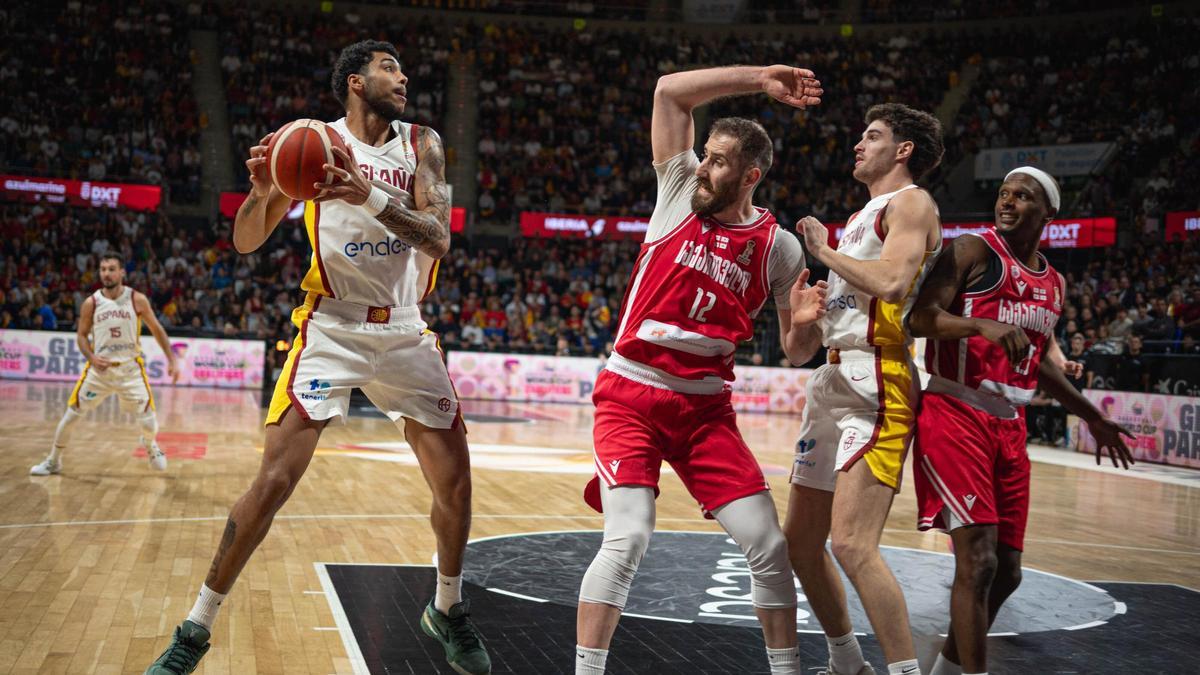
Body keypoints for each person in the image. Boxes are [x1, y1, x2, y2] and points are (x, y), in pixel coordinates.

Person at [145, 41, 489, 675]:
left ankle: (447, 607)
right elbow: (246, 241)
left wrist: (366, 195)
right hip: (331, 327)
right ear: (355, 81)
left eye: (402, 69)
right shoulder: (311, 144)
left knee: (456, 483)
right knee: (274, 481)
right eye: (389, 67)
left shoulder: (422, 144)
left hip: (405, 331)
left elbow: (439, 238)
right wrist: (259, 193)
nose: (403, 77)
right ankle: (195, 628)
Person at [575, 64, 826, 675]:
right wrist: (761, 79)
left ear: (750, 176)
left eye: (718, 161)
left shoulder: (779, 247)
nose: (704, 168)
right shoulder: (677, 191)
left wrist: (808, 323)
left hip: (706, 412)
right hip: (632, 394)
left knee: (769, 544)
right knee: (628, 538)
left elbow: (797, 352)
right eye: (705, 155)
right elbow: (667, 91)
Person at [908, 167, 1135, 675]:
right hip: (955, 410)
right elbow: (919, 318)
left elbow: (1040, 364)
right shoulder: (972, 250)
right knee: (979, 562)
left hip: (1010, 425)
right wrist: (979, 324)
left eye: (1023, 196)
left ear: (1048, 212)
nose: (1007, 201)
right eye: (1004, 193)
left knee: (1008, 572)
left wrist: (1092, 416)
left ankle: (946, 668)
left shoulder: (1054, 283)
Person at [787, 103, 945, 675]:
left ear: (903, 150)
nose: (858, 144)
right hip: (830, 376)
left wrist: (823, 252)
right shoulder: (859, 218)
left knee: (853, 544)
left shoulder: (912, 203)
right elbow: (797, 352)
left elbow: (896, 282)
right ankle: (847, 663)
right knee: (800, 544)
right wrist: (800, 318)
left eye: (872, 136)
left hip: (878, 378)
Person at [31, 253, 179, 476]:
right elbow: (81, 336)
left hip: (130, 370)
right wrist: (91, 357)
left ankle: (150, 445)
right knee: (71, 416)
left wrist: (172, 359)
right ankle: (53, 460)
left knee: (149, 424)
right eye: (103, 269)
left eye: (111, 269)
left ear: (122, 272)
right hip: (99, 372)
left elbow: (157, 329)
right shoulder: (91, 303)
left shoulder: (136, 299)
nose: (106, 274)